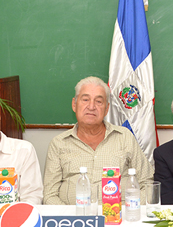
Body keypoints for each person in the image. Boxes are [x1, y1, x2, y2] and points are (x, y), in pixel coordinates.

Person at [43, 76, 153, 205]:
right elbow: (50, 195)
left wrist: (127, 211)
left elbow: (148, 184)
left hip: (120, 219)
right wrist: (72, 218)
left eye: (99, 102)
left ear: (106, 108)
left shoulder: (125, 137)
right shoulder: (59, 143)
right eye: (85, 100)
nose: (91, 106)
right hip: (75, 221)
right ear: (74, 104)